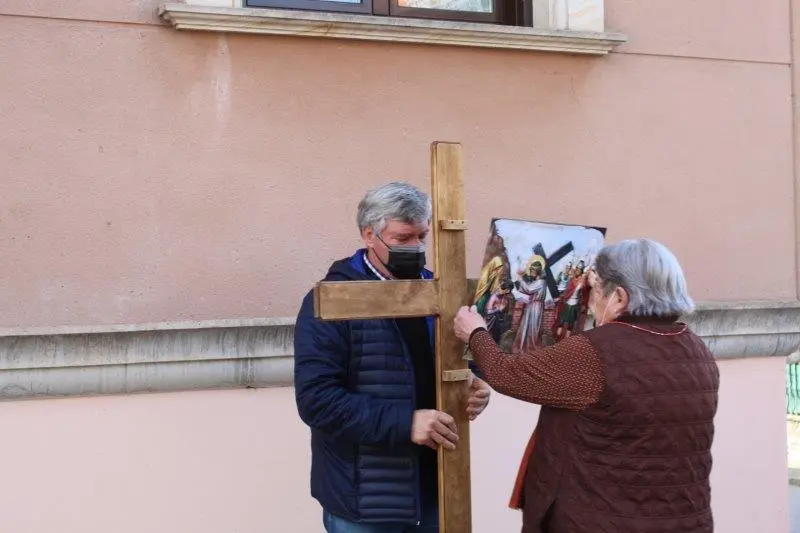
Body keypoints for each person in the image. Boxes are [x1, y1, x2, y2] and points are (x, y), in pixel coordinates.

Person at [453, 238, 719, 533]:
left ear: (619, 297)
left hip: (600, 520)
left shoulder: (599, 352)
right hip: (686, 520)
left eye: (594, 289)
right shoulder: (695, 348)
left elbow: (507, 373)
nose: (589, 301)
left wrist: (475, 332)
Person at [294, 181, 492, 533]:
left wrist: (473, 384)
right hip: (367, 499)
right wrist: (406, 423)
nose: (416, 248)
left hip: (438, 489)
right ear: (369, 235)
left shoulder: (440, 293)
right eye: (403, 239)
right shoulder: (331, 302)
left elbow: (457, 361)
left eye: (421, 237)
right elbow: (317, 401)